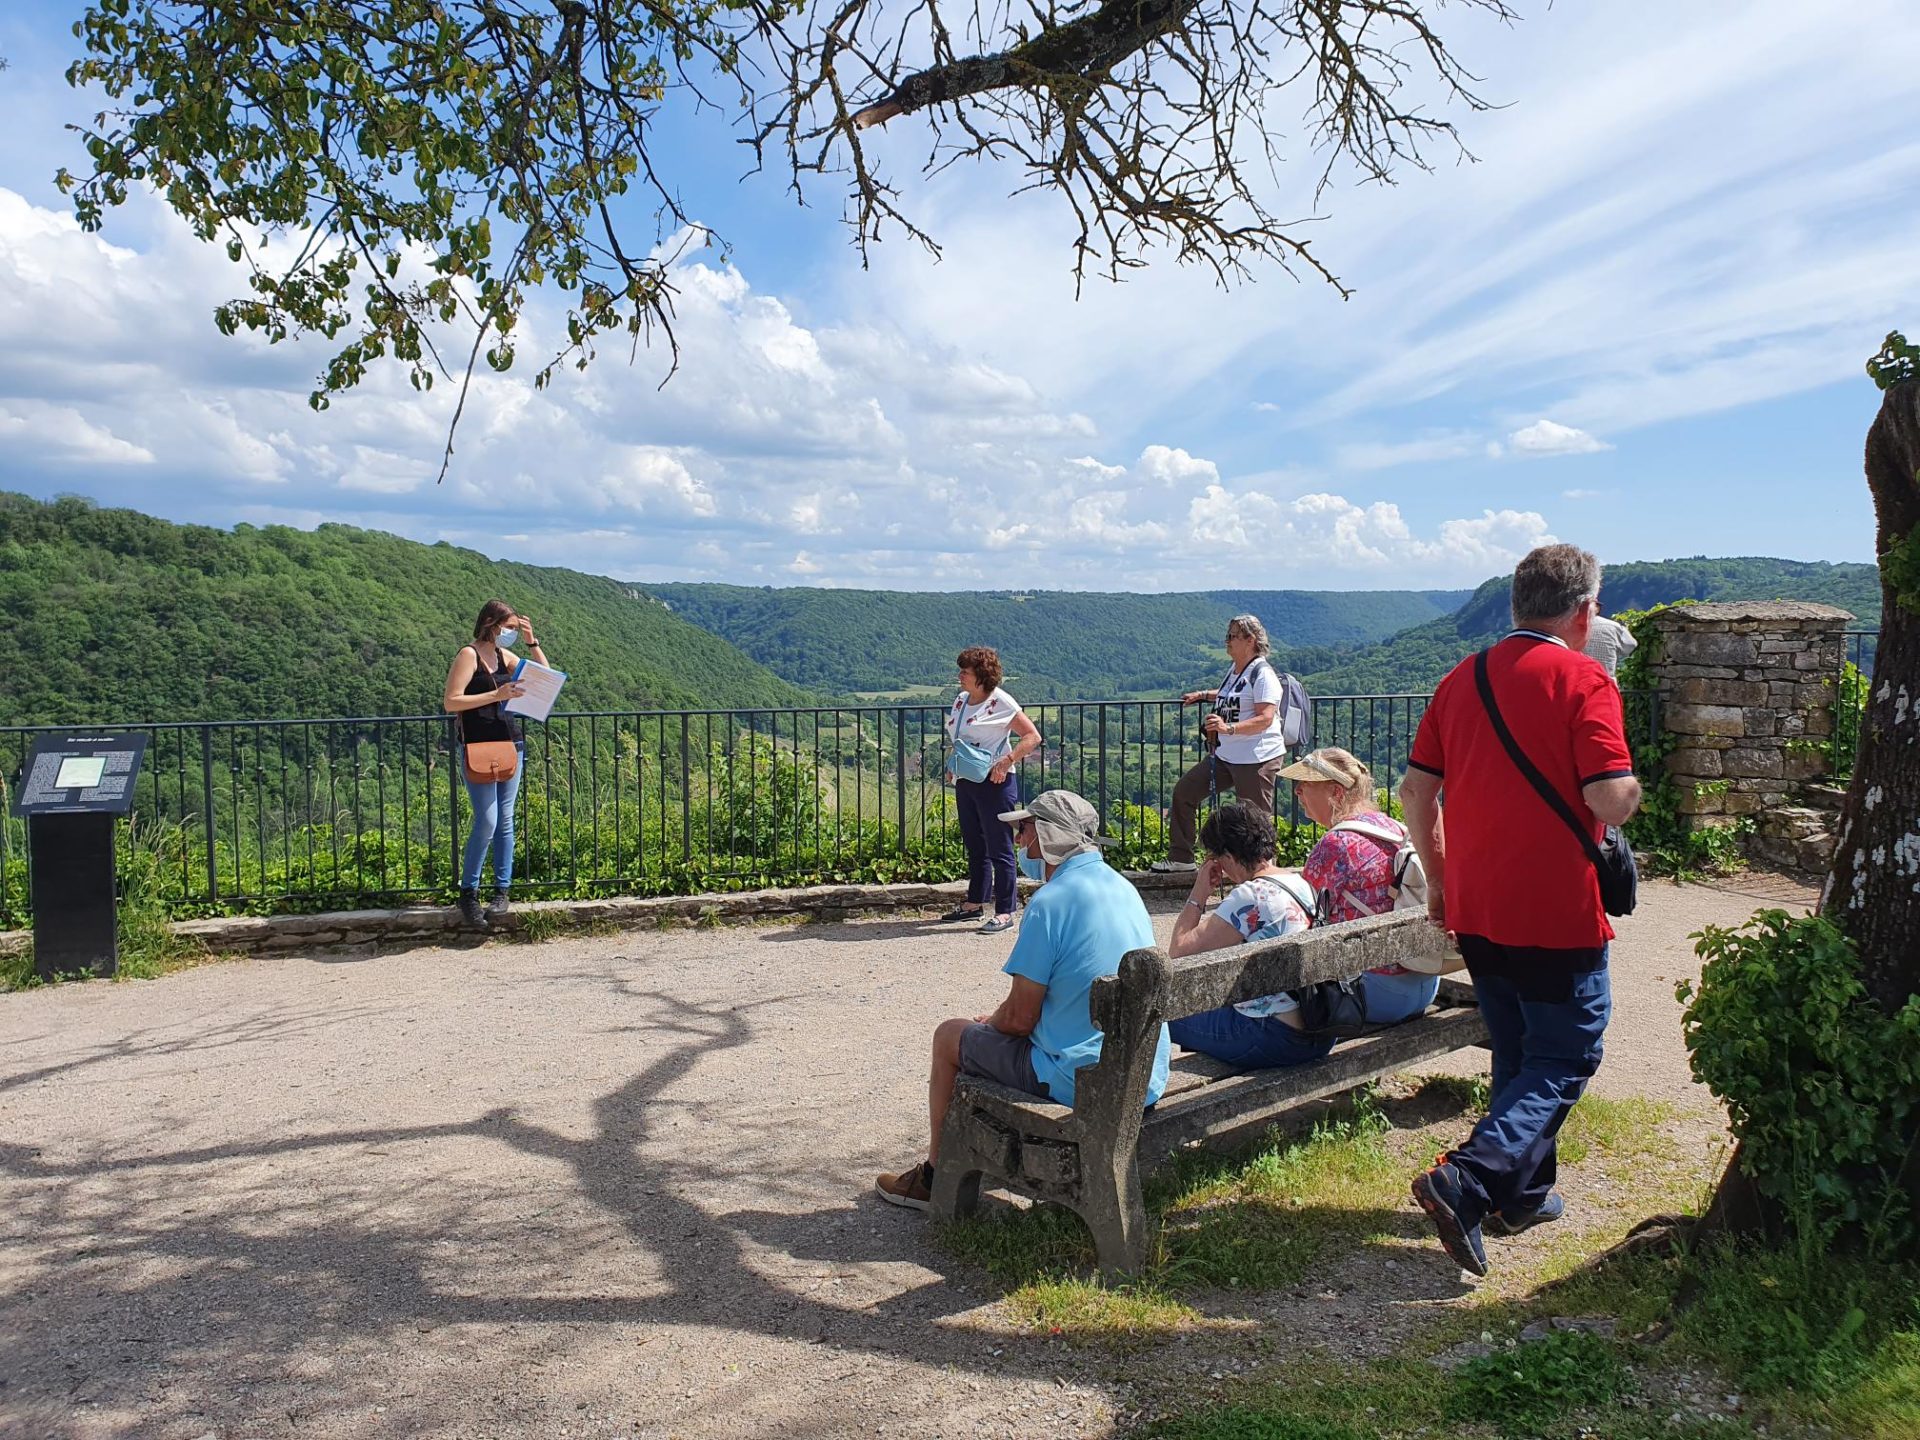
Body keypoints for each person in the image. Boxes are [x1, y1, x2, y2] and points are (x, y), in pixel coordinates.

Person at [1399, 544, 1640, 1277]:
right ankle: (1468, 1179)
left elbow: (1415, 793)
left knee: (1516, 1048)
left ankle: (1522, 1195)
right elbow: (1609, 798)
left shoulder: (1460, 678)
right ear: (1585, 610)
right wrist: (1632, 791)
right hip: (1555, 907)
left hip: (1475, 903)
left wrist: (1439, 880)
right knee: (1567, 1051)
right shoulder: (1585, 679)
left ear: (1515, 605)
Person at [877, 790, 1170, 1210]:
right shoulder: (1123, 889)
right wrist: (1000, 1020)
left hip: (1081, 1078)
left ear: (1049, 837)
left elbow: (1018, 1020)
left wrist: (990, 1022)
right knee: (985, 1033)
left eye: (1024, 830)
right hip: (1142, 1075)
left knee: (949, 1037)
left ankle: (934, 1177)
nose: (1019, 843)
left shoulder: (1051, 902)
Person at [1281, 747, 1440, 1023]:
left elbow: (1299, 918)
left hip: (1376, 994)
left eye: (1304, 785)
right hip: (1425, 980)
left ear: (1336, 793)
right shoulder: (1393, 828)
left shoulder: (1334, 845)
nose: (1298, 793)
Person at [1164, 803, 1328, 1070]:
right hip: (1320, 1030)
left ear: (1228, 856)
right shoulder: (1303, 885)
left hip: (1274, 1037)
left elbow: (1179, 954)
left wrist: (1199, 892)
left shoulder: (1251, 897)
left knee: (1158, 1010)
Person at [442, 600, 551, 929]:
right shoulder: (468, 655)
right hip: (478, 745)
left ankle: (501, 891)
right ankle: (468, 892)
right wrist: (496, 694)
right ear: (491, 623)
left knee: (505, 820)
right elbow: (451, 701)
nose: (512, 634)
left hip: (510, 744)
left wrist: (533, 643)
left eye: (516, 629)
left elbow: (544, 677)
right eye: (510, 628)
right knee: (487, 820)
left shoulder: (506, 657)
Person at [1153, 615, 1290, 874]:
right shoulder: (1238, 669)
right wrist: (1204, 695)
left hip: (1256, 758)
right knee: (1185, 792)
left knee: (1255, 820)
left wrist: (1228, 728)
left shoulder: (1263, 674)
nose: (1227, 641)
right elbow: (1233, 693)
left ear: (1250, 640)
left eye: (1233, 636)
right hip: (1227, 754)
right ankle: (1181, 857)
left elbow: (1265, 718)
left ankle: (1263, 874)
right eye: (1228, 635)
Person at [939, 646, 1043, 935]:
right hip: (967, 779)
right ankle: (975, 903)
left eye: (965, 672)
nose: (959, 676)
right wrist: (954, 764)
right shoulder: (961, 700)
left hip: (996, 782)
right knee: (975, 844)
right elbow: (961, 739)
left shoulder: (1002, 703)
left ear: (981, 676)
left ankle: (1006, 910)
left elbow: (1032, 736)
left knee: (999, 848)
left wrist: (1007, 760)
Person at [1583, 612, 1637, 680]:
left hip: (1579, 682)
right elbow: (1631, 645)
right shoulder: (1614, 626)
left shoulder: (1570, 627)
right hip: (1607, 682)